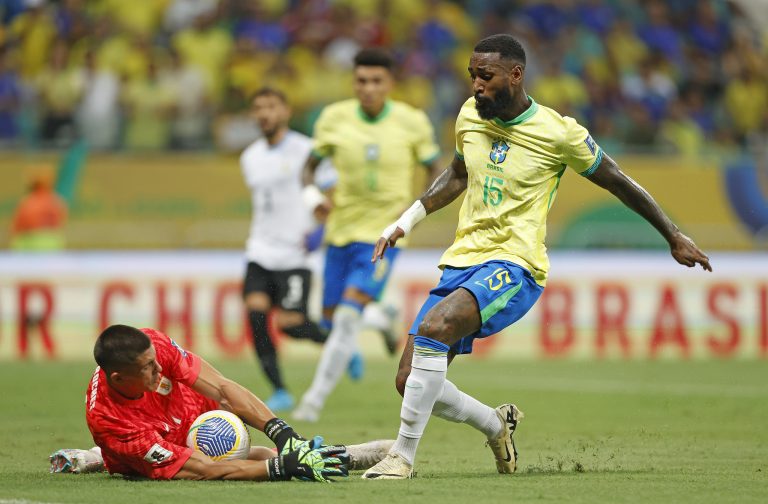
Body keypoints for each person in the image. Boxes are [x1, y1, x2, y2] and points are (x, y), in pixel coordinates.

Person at [362, 34, 712, 480]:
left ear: (516, 74)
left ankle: (402, 459)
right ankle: (495, 424)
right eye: (472, 75)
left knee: (435, 328)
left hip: (515, 265)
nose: (476, 86)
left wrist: (674, 235)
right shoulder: (470, 115)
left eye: (485, 76)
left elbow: (618, 181)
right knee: (408, 380)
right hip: (463, 259)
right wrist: (404, 221)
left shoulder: (558, 132)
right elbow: (456, 173)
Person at [292, 48, 442, 423]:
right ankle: (380, 320)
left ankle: (313, 401)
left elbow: (435, 170)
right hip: (339, 233)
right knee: (328, 320)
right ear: (353, 82)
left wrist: (410, 215)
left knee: (343, 319)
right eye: (361, 81)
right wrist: (313, 198)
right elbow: (308, 167)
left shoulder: (412, 122)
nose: (369, 88)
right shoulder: (333, 118)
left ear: (390, 83)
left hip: (382, 238)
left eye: (377, 81)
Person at [240, 87, 399, 412]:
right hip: (259, 250)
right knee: (256, 316)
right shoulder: (249, 158)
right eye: (258, 108)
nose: (264, 113)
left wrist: (322, 230)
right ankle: (280, 390)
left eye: (271, 106)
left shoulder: (307, 150)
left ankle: (343, 344)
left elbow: (330, 194)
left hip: (297, 254)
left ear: (285, 110)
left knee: (290, 323)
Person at [66, 324, 347, 481]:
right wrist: (281, 468)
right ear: (118, 379)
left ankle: (298, 452)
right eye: (149, 368)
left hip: (192, 414)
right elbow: (205, 469)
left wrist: (284, 434)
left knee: (253, 440)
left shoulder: (153, 345)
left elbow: (222, 388)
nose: (159, 369)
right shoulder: (112, 423)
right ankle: (99, 456)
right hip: (152, 442)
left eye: (155, 361)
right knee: (260, 459)